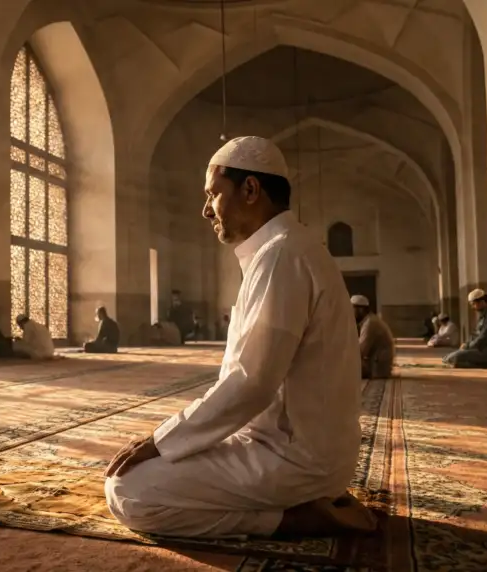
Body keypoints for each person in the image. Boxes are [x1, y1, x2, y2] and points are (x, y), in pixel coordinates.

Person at [105, 136, 375, 541]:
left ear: (250, 189)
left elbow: (251, 383)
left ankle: (293, 519)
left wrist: (160, 441)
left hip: (295, 458)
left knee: (129, 491)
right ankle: (300, 504)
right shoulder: (287, 250)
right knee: (165, 461)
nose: (205, 209)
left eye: (212, 194)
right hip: (293, 446)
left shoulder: (282, 256)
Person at [443, 289, 487, 368]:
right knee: (447, 357)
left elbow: (484, 337)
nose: (473, 307)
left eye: (474, 304)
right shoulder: (484, 315)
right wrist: (466, 344)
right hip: (478, 350)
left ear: (482, 302)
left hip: (486, 353)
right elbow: (475, 334)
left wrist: (468, 347)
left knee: (454, 358)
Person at [352, 295, 395, 379]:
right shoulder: (369, 320)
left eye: (352, 309)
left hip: (376, 368)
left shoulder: (370, 324)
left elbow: (360, 351)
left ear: (361, 310)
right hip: (376, 364)